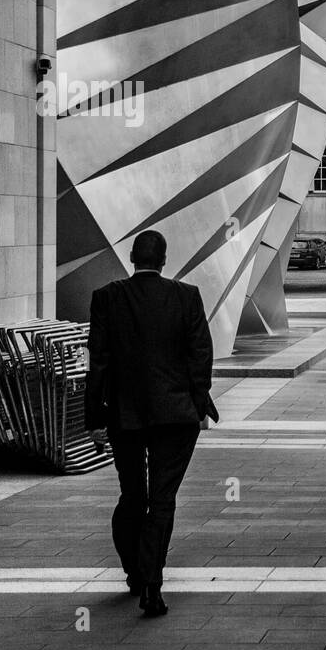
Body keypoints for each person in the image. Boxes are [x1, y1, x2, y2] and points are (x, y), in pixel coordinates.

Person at [84, 230, 218, 618]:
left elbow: (99, 364)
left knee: (131, 495)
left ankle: (134, 571)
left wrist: (94, 420)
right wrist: (199, 403)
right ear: (164, 261)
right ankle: (152, 585)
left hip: (125, 417)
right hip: (175, 416)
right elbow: (200, 355)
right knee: (162, 501)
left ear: (131, 257)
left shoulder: (106, 298)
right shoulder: (186, 296)